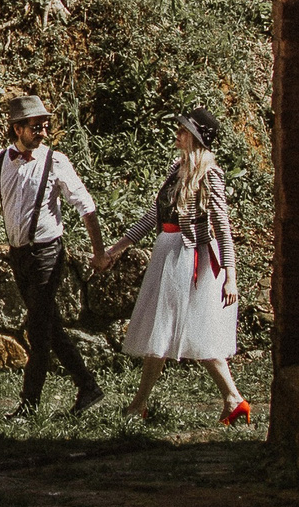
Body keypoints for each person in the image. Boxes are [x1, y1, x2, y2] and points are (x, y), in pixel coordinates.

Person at [0, 93, 108, 421]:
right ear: (17, 129)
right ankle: (88, 386)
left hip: (48, 252)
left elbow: (86, 206)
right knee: (50, 325)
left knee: (37, 328)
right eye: (36, 127)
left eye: (46, 126)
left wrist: (99, 252)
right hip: (19, 255)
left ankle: (28, 406)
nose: (43, 132)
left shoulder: (55, 161)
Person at [95, 104, 251, 426]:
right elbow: (155, 216)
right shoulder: (176, 169)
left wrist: (231, 276)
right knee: (164, 330)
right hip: (167, 251)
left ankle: (140, 405)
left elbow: (222, 226)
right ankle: (232, 400)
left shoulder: (210, 175)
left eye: (183, 131)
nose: (177, 135)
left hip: (190, 257)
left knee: (177, 329)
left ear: (195, 138)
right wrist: (118, 248)